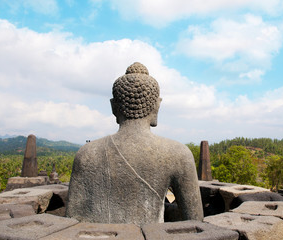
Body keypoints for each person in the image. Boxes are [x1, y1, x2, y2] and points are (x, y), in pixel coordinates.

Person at [66, 62, 203, 226]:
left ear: (114, 106)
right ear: (156, 106)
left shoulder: (87, 154)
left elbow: (72, 221)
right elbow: (195, 223)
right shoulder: (179, 154)